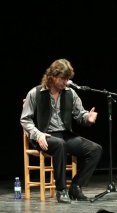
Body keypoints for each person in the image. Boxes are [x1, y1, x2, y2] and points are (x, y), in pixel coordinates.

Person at [20, 58, 103, 203]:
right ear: (52, 76)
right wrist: (38, 134)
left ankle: (76, 187)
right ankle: (61, 190)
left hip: (65, 135)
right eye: (63, 78)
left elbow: (79, 114)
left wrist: (87, 118)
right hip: (44, 136)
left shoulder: (70, 93)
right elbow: (25, 119)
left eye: (67, 79)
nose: (66, 82)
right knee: (59, 144)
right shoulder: (35, 93)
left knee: (95, 149)